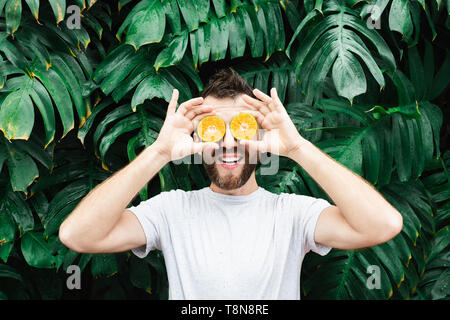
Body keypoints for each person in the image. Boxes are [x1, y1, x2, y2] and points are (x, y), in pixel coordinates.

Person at [59, 68, 403, 299]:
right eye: (213, 130)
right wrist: (159, 152)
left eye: (239, 129)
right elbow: (78, 235)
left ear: (260, 136)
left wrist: (298, 148)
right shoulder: (171, 211)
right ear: (196, 138)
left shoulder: (291, 214)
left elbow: (383, 224)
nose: (227, 143)